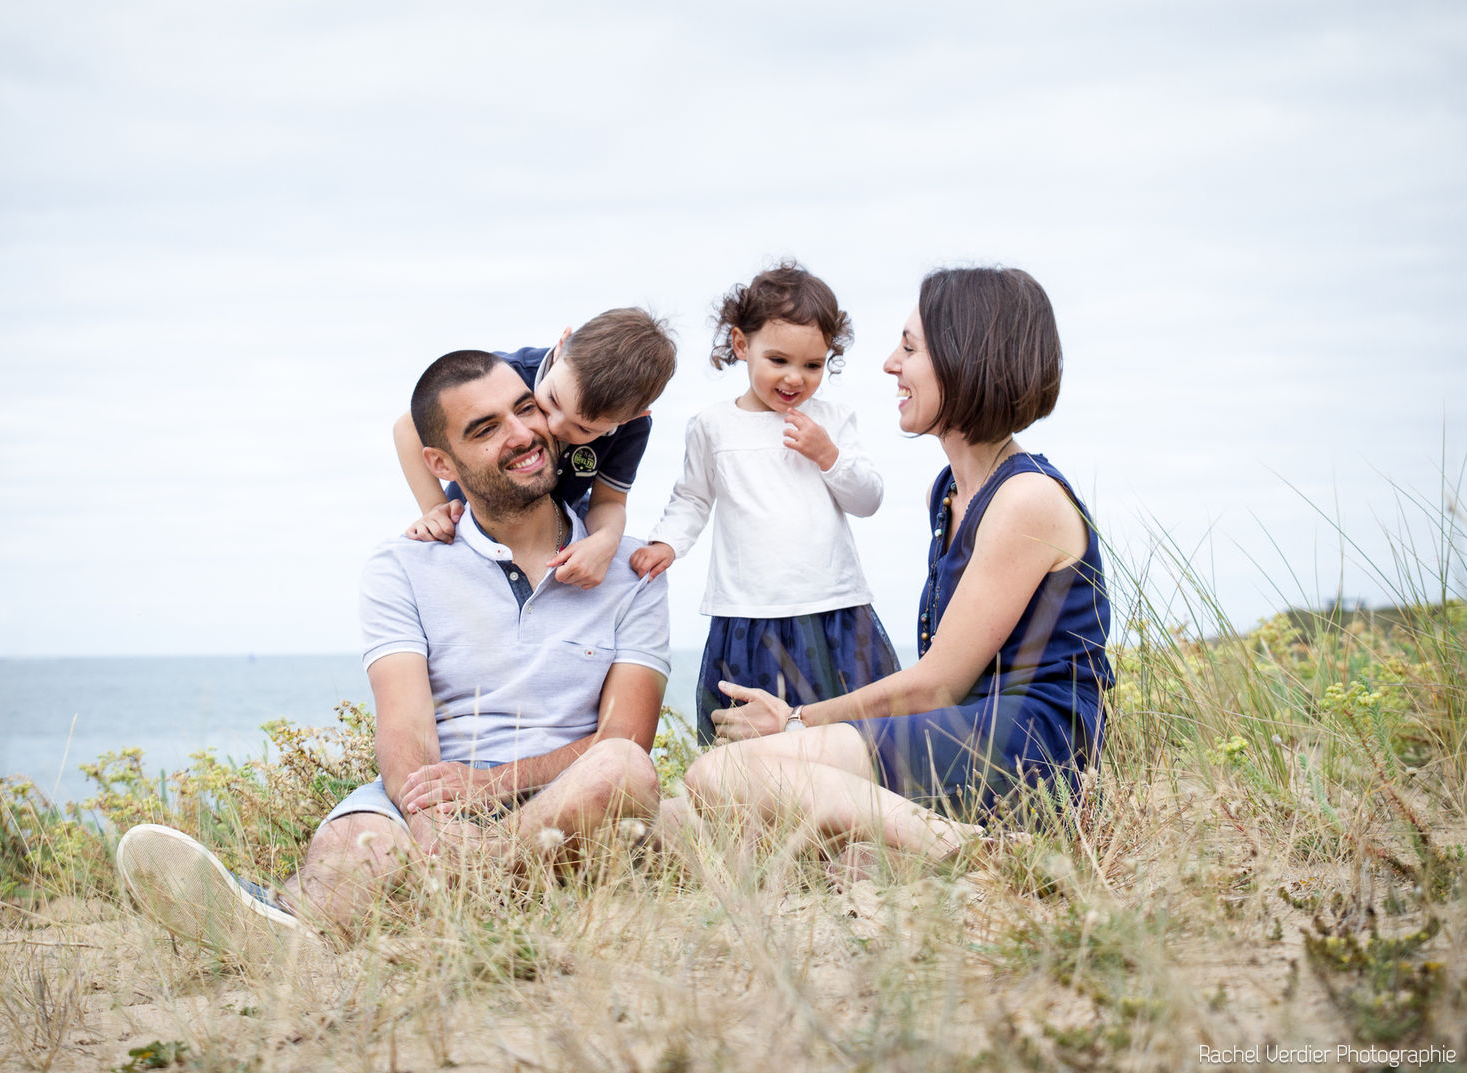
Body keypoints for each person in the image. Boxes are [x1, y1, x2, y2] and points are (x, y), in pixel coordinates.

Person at [118, 350, 669, 945]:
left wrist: (491, 786)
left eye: (526, 408)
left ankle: (433, 896)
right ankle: (281, 931)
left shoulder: (631, 565)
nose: (524, 434)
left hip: (568, 795)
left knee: (623, 772)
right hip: (438, 799)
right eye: (485, 429)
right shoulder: (401, 566)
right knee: (358, 846)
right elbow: (406, 728)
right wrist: (434, 824)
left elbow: (624, 738)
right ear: (440, 462)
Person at [682, 266, 1114, 863]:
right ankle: (910, 851)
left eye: (909, 348)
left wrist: (795, 722)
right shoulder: (951, 490)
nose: (890, 364)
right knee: (695, 810)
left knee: (720, 777)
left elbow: (938, 682)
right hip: (965, 730)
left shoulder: (1026, 498)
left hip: (1028, 744)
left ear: (966, 359)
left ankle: (981, 854)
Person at [631, 262, 899, 745]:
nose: (795, 378)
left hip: (832, 606)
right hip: (747, 613)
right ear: (741, 346)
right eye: (778, 360)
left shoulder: (833, 420)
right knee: (747, 743)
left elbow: (868, 499)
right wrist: (666, 542)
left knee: (842, 733)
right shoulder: (713, 425)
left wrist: (828, 455)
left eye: (813, 365)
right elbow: (692, 497)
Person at [393, 308, 677, 590]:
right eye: (551, 400)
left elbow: (609, 501)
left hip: (555, 538)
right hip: (475, 520)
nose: (552, 427)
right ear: (561, 345)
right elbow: (408, 428)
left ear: (630, 418)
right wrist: (435, 508)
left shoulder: (630, 429)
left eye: (584, 430)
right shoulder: (503, 377)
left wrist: (606, 539)